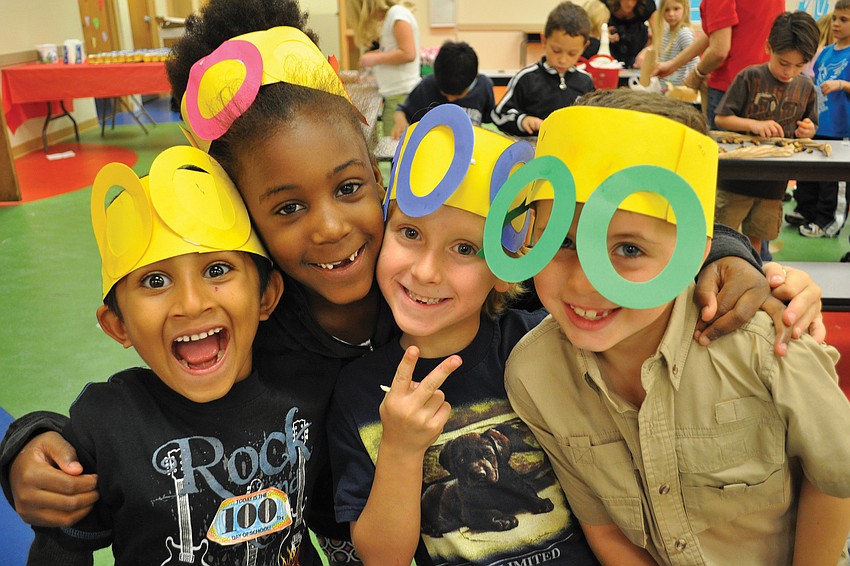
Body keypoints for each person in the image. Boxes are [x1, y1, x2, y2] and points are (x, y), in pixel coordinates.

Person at [0, 0, 829, 561]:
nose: (330, 228)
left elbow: (596, 206)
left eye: (352, 189)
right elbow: (147, 412)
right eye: (285, 209)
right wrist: (31, 440)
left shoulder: (474, 286)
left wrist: (727, 252)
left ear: (384, 177)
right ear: (246, 225)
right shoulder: (258, 338)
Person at [502, 89, 850, 565]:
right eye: (561, 241)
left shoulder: (766, 343)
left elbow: (835, 481)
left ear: (693, 250)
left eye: (628, 249)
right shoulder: (534, 376)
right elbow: (603, 530)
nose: (584, 282)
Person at [26, 145, 332, 565]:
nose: (191, 303)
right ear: (118, 325)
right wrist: (24, 439)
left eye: (217, 269)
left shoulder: (311, 389)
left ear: (266, 296)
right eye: (155, 280)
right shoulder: (106, 424)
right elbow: (59, 540)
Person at [329, 105, 599, 565]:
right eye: (410, 232)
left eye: (465, 248)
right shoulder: (358, 394)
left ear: (504, 267)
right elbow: (382, 558)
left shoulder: (544, 344)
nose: (426, 271)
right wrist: (399, 449)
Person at [713, 11, 820, 255]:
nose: (789, 72)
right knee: (722, 237)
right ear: (768, 47)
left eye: (799, 66)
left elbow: (809, 128)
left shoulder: (805, 87)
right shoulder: (750, 77)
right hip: (736, 181)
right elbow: (721, 118)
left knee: (757, 244)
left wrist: (807, 130)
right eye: (783, 63)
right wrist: (753, 124)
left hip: (773, 186)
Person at [654, 0, 785, 130]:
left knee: (723, 147)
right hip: (769, 86)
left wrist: (696, 74)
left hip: (729, 88)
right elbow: (718, 31)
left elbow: (719, 51)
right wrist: (673, 65)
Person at [786, 0, 850, 242]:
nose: (835, 24)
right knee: (809, 173)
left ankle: (827, 222)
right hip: (817, 125)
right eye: (835, 18)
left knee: (832, 182)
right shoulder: (825, 52)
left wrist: (843, 84)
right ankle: (807, 211)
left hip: (841, 129)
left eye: (844, 20)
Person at [491, 1, 595, 137]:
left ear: (584, 46)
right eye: (556, 50)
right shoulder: (526, 78)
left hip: (571, 151)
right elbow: (499, 114)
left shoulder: (585, 81)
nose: (563, 60)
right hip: (533, 151)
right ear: (544, 40)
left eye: (572, 54)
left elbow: (592, 120)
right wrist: (522, 120)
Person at [391, 41, 495, 140]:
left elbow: (492, 117)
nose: (450, 99)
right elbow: (402, 111)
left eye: (458, 95)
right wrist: (401, 122)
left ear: (474, 77)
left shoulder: (484, 87)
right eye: (444, 93)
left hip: (469, 151)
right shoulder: (427, 85)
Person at [348, 0, 421, 136]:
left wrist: (375, 58)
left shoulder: (397, 14)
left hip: (401, 96)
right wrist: (373, 58)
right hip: (396, 95)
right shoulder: (392, 17)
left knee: (394, 149)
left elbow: (408, 53)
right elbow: (393, 52)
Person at [656, 0, 698, 86]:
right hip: (665, 88)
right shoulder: (665, 32)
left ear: (685, 9)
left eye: (676, 9)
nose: (671, 14)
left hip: (678, 90)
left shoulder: (684, 33)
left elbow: (694, 63)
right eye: (666, 10)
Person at [605, 0, 655, 69]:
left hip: (637, 51)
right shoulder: (604, 3)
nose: (630, 4)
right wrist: (603, 34)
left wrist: (648, 50)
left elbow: (660, 36)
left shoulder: (648, 5)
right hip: (608, 54)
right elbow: (592, 30)